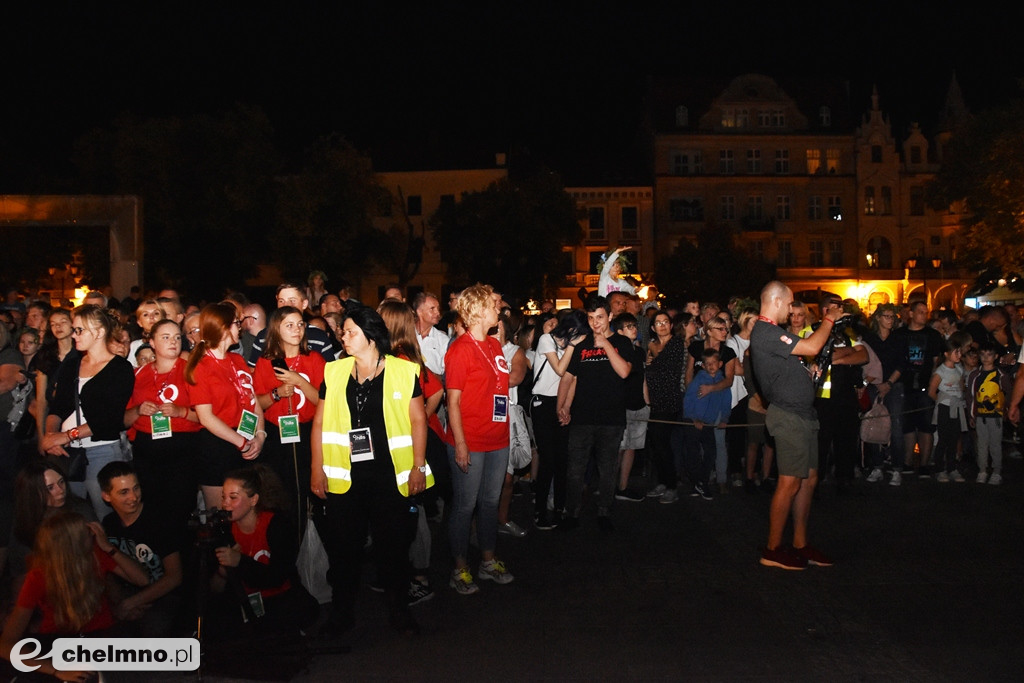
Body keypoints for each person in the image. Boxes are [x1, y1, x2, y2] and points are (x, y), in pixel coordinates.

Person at [311, 306, 431, 634]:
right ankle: (341, 615)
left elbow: (419, 420)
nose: (343, 337)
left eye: (350, 331)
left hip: (389, 476)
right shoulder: (334, 372)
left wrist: (418, 467)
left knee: (392, 548)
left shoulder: (404, 371)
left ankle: (399, 612)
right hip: (345, 476)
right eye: (343, 332)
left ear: (371, 335)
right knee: (343, 550)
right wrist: (316, 468)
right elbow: (319, 421)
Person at [749, 281, 838, 570]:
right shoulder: (765, 331)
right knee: (789, 482)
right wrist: (828, 318)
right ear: (776, 301)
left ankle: (800, 543)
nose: (792, 310)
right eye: (789, 304)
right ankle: (773, 548)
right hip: (788, 416)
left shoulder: (774, 334)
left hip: (803, 414)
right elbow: (813, 345)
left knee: (807, 480)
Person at [0, 512, 149, 680]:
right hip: (57, 641)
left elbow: (141, 579)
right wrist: (55, 670)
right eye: (85, 531)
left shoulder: (95, 555)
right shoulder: (39, 576)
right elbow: (6, 644)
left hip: (100, 636)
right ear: (73, 543)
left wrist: (109, 547)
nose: (92, 532)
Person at [444, 284, 514, 593]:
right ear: (479, 311)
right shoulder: (459, 349)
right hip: (470, 439)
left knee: (489, 502)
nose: (499, 309)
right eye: (493, 305)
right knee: (465, 505)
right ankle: (459, 568)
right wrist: (460, 443)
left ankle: (488, 560)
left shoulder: (495, 345)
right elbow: (453, 401)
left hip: (498, 438)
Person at [40, 305, 133, 520]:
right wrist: (51, 435)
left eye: (80, 330)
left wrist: (65, 435)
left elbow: (109, 419)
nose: (74, 335)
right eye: (74, 329)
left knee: (105, 515)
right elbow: (58, 406)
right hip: (68, 453)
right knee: (68, 516)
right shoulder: (72, 364)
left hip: (102, 451)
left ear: (99, 332)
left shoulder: (120, 368)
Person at [211, 465, 318, 634]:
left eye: (233, 498)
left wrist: (240, 561)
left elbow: (278, 576)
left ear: (253, 500)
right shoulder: (223, 531)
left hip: (280, 598)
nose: (225, 504)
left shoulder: (276, 524)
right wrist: (223, 572)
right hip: (243, 600)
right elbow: (215, 590)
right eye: (224, 497)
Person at [557, 295, 633, 533]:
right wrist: (562, 406)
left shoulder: (622, 342)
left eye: (600, 317)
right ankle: (572, 513)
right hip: (582, 417)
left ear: (610, 316)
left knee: (607, 468)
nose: (595, 323)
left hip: (611, 419)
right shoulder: (581, 344)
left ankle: (604, 512)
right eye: (591, 318)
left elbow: (624, 372)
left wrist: (606, 345)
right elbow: (569, 378)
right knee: (575, 469)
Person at [185, 302, 267, 512]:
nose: (240, 328)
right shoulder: (201, 366)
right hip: (219, 447)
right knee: (222, 514)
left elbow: (253, 400)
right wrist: (241, 442)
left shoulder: (237, 360)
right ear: (224, 327)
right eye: (236, 323)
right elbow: (206, 417)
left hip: (246, 441)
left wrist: (260, 434)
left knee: (249, 511)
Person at [252, 306, 325, 532]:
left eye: (300, 324)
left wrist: (299, 381)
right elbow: (257, 403)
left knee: (306, 487)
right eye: (289, 325)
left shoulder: (314, 360)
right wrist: (276, 394)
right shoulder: (266, 362)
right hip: (277, 433)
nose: (297, 330)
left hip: (308, 431)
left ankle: (310, 539)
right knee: (281, 492)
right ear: (277, 329)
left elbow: (323, 401)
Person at [124, 319, 202, 527]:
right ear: (152, 343)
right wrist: (138, 410)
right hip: (146, 451)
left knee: (179, 512)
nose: (173, 342)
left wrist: (181, 412)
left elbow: (210, 416)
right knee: (151, 511)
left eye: (177, 337)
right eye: (165, 337)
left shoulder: (192, 371)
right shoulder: (138, 374)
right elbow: (123, 420)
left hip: (182, 451)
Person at [99, 461, 184, 636]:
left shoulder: (160, 520)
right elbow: (107, 573)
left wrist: (129, 604)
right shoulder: (109, 524)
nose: (133, 497)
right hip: (127, 594)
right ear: (106, 496)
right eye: (124, 492)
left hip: (165, 596)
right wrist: (119, 604)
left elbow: (174, 577)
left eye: (136, 488)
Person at [530, 310, 586, 529]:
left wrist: (566, 407)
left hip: (560, 402)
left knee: (563, 460)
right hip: (542, 403)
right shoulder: (547, 339)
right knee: (548, 460)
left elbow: (573, 380)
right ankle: (540, 511)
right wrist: (573, 345)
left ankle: (560, 508)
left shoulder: (572, 345)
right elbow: (561, 369)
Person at [8, 460, 96, 592]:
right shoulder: (26, 520)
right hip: (43, 587)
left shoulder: (80, 509)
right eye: (50, 488)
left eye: (61, 482)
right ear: (34, 492)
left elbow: (98, 553)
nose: (60, 490)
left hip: (83, 581)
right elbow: (20, 569)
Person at [893, 301, 945, 479]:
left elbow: (936, 360)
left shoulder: (933, 335)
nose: (924, 315)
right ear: (911, 314)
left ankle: (924, 463)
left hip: (925, 386)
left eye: (926, 312)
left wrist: (932, 384)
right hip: (904, 386)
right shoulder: (900, 335)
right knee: (907, 426)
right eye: (920, 312)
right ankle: (907, 461)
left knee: (926, 426)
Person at [682, 348, 732, 499]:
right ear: (703, 365)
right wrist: (694, 418)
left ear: (720, 364)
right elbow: (689, 400)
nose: (711, 366)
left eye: (714, 363)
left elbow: (726, 403)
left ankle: (702, 482)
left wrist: (724, 419)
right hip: (693, 421)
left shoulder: (722, 383)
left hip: (709, 423)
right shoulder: (698, 380)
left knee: (711, 452)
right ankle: (696, 482)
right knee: (693, 453)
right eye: (707, 363)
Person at [612, 313, 648, 502]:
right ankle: (609, 486)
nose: (634, 329)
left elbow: (642, 378)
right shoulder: (615, 352)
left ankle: (623, 487)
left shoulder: (640, 352)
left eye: (635, 325)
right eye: (629, 326)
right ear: (619, 331)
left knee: (632, 447)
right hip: (622, 406)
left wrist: (647, 401)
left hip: (639, 405)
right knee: (618, 448)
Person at [967, 342, 1011, 485]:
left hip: (996, 415)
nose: (986, 358)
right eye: (983, 355)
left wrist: (1007, 410)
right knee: (981, 444)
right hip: (980, 415)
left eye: (989, 355)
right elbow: (971, 396)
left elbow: (1008, 393)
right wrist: (971, 415)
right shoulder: (974, 375)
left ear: (996, 356)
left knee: (995, 444)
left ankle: (996, 472)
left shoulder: (1000, 375)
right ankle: (982, 470)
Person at [928, 338, 967, 482]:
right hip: (945, 407)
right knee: (943, 438)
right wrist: (942, 401)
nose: (959, 355)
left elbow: (961, 387)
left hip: (956, 407)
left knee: (954, 438)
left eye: (960, 352)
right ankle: (940, 469)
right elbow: (932, 391)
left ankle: (952, 468)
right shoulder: (941, 371)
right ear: (946, 353)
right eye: (956, 352)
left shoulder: (959, 369)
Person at [412, 292, 448, 379]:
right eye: (432, 309)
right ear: (419, 312)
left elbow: (446, 374)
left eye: (438, 308)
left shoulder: (443, 340)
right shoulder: (407, 335)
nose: (437, 313)